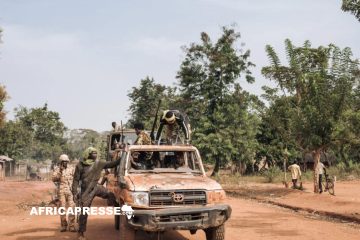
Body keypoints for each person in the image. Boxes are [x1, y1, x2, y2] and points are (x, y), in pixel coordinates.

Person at [72, 147, 120, 240]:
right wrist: (74, 193)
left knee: (111, 194)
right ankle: (80, 233)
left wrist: (123, 156)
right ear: (88, 154)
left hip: (96, 187)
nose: (95, 154)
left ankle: (115, 209)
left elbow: (113, 164)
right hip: (86, 192)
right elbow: (76, 180)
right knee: (83, 212)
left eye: (95, 153)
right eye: (93, 153)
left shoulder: (99, 163)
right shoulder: (80, 165)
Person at [52, 154, 76, 232]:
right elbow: (54, 179)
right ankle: (63, 225)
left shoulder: (72, 169)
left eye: (66, 161)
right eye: (63, 161)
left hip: (70, 191)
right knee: (62, 208)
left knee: (72, 208)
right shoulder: (57, 169)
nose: (65, 163)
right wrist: (60, 171)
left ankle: (71, 226)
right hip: (61, 191)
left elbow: (76, 178)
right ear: (61, 162)